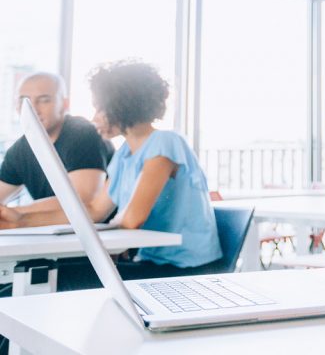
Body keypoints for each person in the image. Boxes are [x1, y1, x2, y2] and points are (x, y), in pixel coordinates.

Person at [0, 62, 221, 286]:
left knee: (59, 279)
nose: (94, 118)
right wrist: (20, 220)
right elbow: (95, 209)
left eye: (99, 108)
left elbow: (133, 218)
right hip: (150, 262)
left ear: (120, 106)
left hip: (186, 269)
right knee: (54, 275)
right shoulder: (124, 155)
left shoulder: (165, 143)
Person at [0, 72, 110, 211]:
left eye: (44, 100)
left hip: (108, 231)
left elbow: (83, 199)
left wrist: (14, 213)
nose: (33, 109)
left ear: (64, 104)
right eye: (24, 101)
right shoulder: (19, 150)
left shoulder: (83, 133)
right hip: (55, 231)